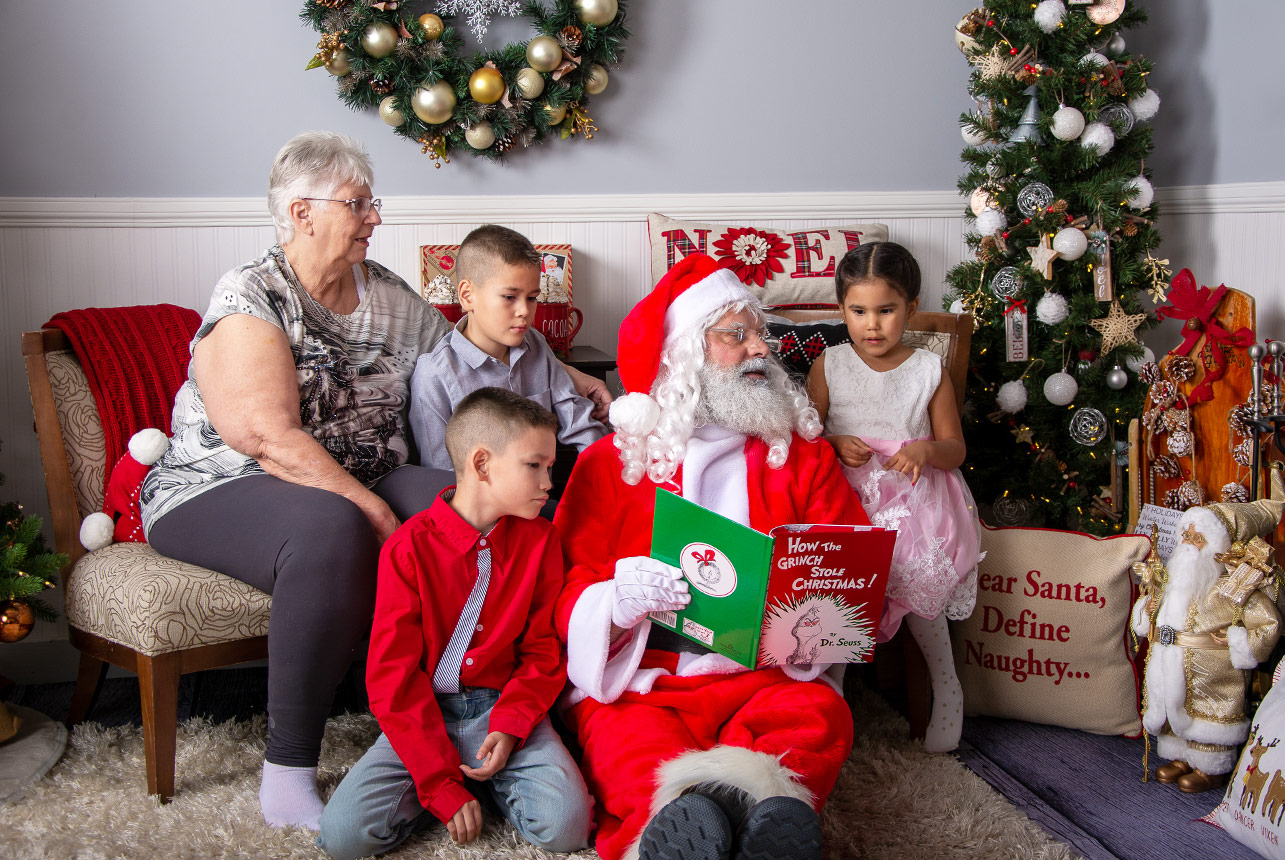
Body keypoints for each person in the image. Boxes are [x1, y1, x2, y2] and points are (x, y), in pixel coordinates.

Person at [138, 131, 610, 831]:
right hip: (222, 486)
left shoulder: (385, 293)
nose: (374, 217)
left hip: (371, 472)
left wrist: (570, 376)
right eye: (358, 204)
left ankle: (475, 706)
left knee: (471, 502)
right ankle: (290, 764)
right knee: (329, 526)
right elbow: (266, 437)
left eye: (372, 203)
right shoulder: (252, 295)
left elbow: (466, 351)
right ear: (301, 213)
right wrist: (368, 508)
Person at [552, 253, 870, 860]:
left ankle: (745, 818)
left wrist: (812, 609)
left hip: (765, 676)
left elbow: (846, 571)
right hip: (649, 679)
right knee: (623, 745)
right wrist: (617, 599)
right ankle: (696, 825)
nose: (759, 349)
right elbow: (567, 584)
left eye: (759, 333)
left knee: (821, 718)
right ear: (685, 356)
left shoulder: (802, 458)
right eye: (736, 334)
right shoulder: (613, 465)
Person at [318, 388, 592, 857]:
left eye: (551, 467)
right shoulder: (407, 549)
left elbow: (543, 650)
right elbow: (393, 675)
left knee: (567, 828)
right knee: (343, 838)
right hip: (425, 713)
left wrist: (511, 724)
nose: (550, 482)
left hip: (502, 707)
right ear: (482, 464)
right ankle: (450, 784)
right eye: (535, 466)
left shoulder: (541, 540)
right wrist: (437, 783)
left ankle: (489, 779)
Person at [805, 241, 981, 754]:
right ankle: (828, 690)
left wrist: (927, 449)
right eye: (859, 311)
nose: (873, 325)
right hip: (846, 499)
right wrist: (835, 442)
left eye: (886, 310)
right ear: (842, 310)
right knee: (838, 577)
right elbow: (807, 435)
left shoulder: (926, 368)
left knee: (914, 567)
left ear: (911, 307)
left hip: (913, 502)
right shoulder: (830, 364)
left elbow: (955, 448)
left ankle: (945, 682)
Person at [408, 224, 606, 475]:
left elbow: (580, 424)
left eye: (532, 297)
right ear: (467, 295)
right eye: (509, 297)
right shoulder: (434, 374)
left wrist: (609, 475)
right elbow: (440, 477)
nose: (524, 311)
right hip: (478, 512)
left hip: (540, 499)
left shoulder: (535, 343)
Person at [1131, 473, 1285, 793]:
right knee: (1176, 704)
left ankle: (1210, 766)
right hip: (1171, 661)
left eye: (1197, 537)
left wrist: (1238, 642)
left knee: (1210, 712)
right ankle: (1181, 757)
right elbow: (1156, 604)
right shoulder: (1175, 579)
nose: (1188, 542)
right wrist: (1146, 612)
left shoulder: (1231, 587)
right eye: (1185, 534)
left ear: (1216, 546)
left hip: (1214, 672)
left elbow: (1269, 623)